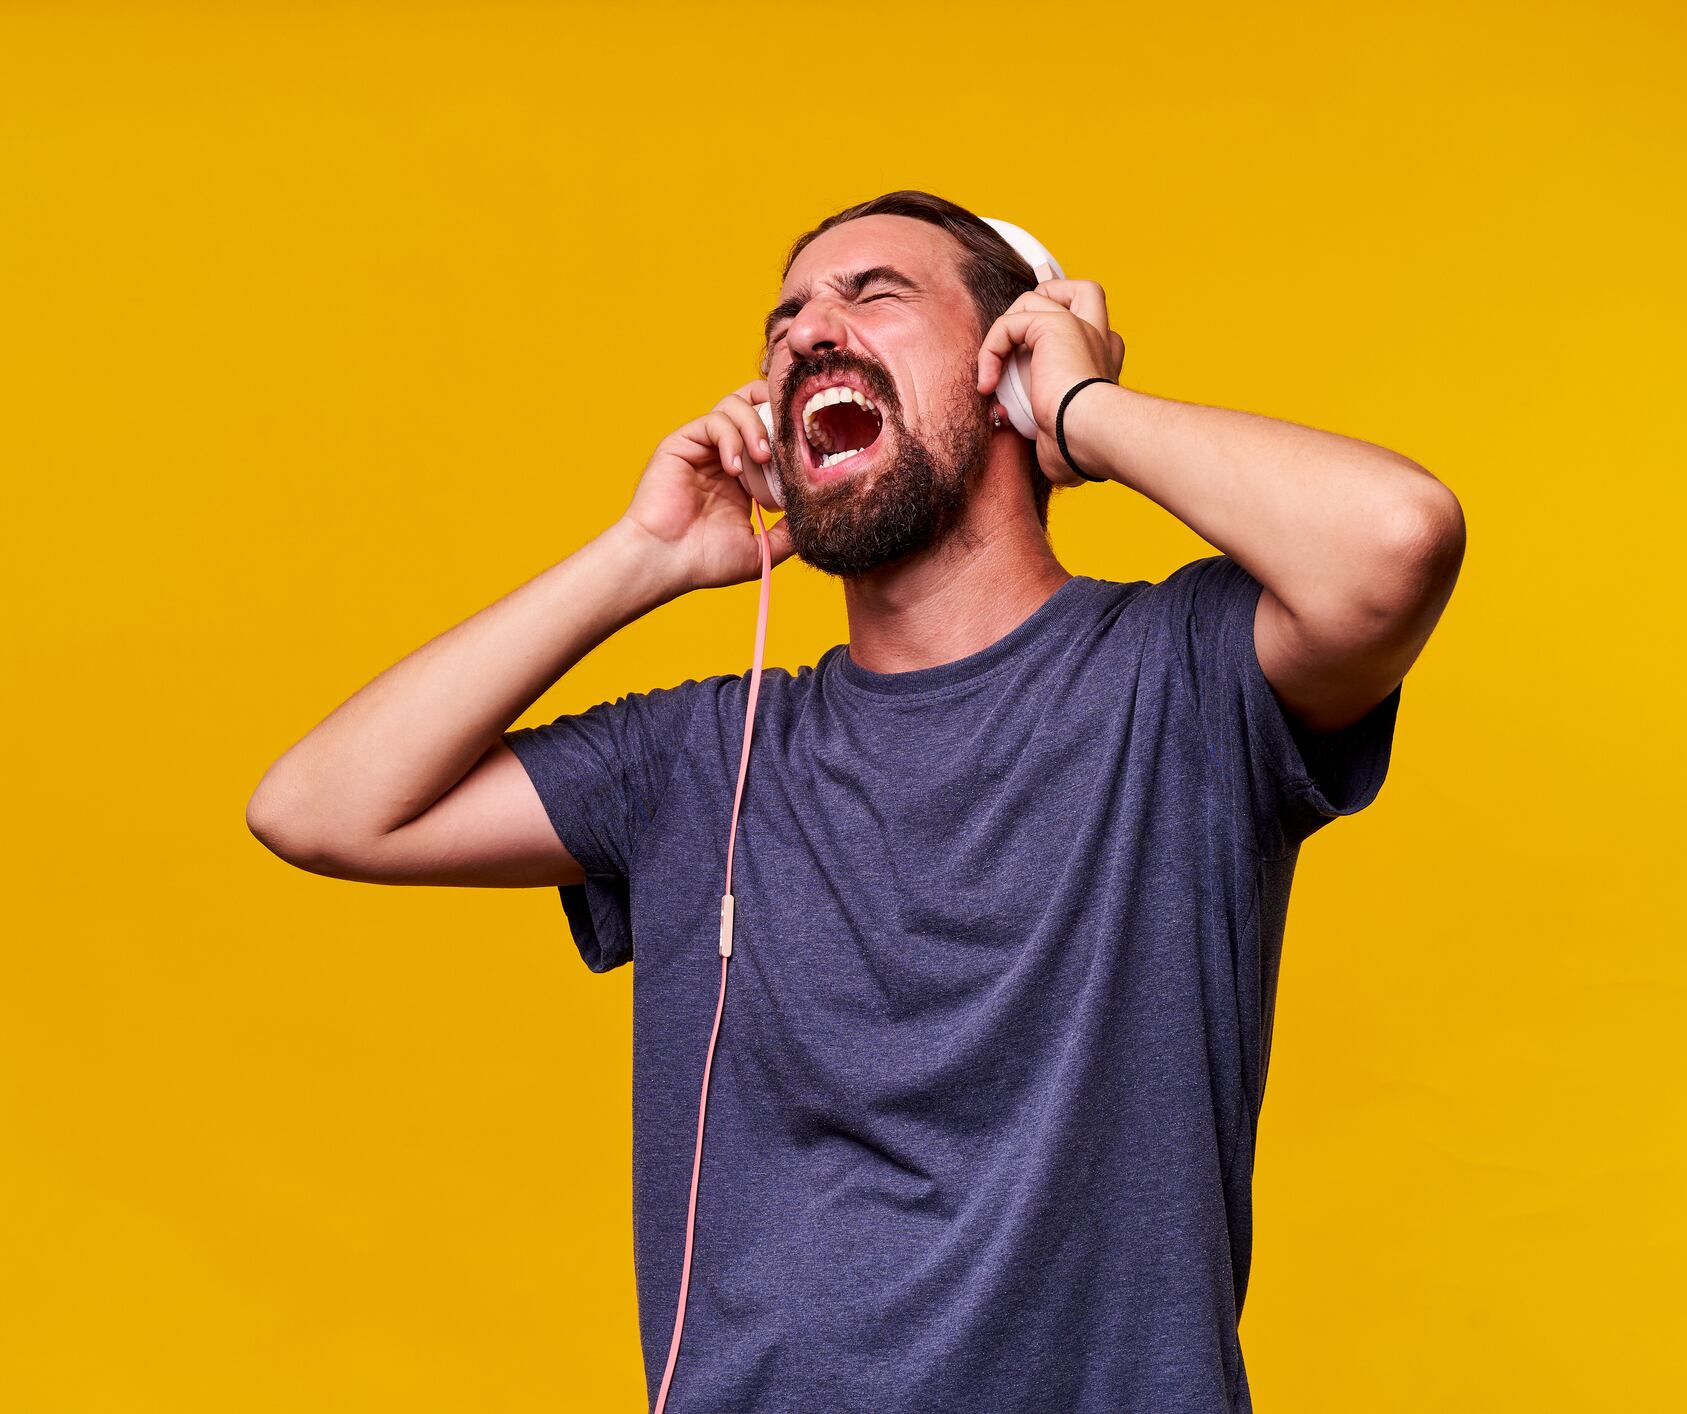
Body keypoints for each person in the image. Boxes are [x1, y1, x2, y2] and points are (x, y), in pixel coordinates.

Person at [247, 189, 1464, 1412]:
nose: (805, 335)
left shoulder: (1183, 679)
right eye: (781, 323)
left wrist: (1086, 411)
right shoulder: (700, 759)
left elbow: (1399, 537)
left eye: (873, 295)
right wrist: (644, 557)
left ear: (1009, 362)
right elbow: (322, 807)